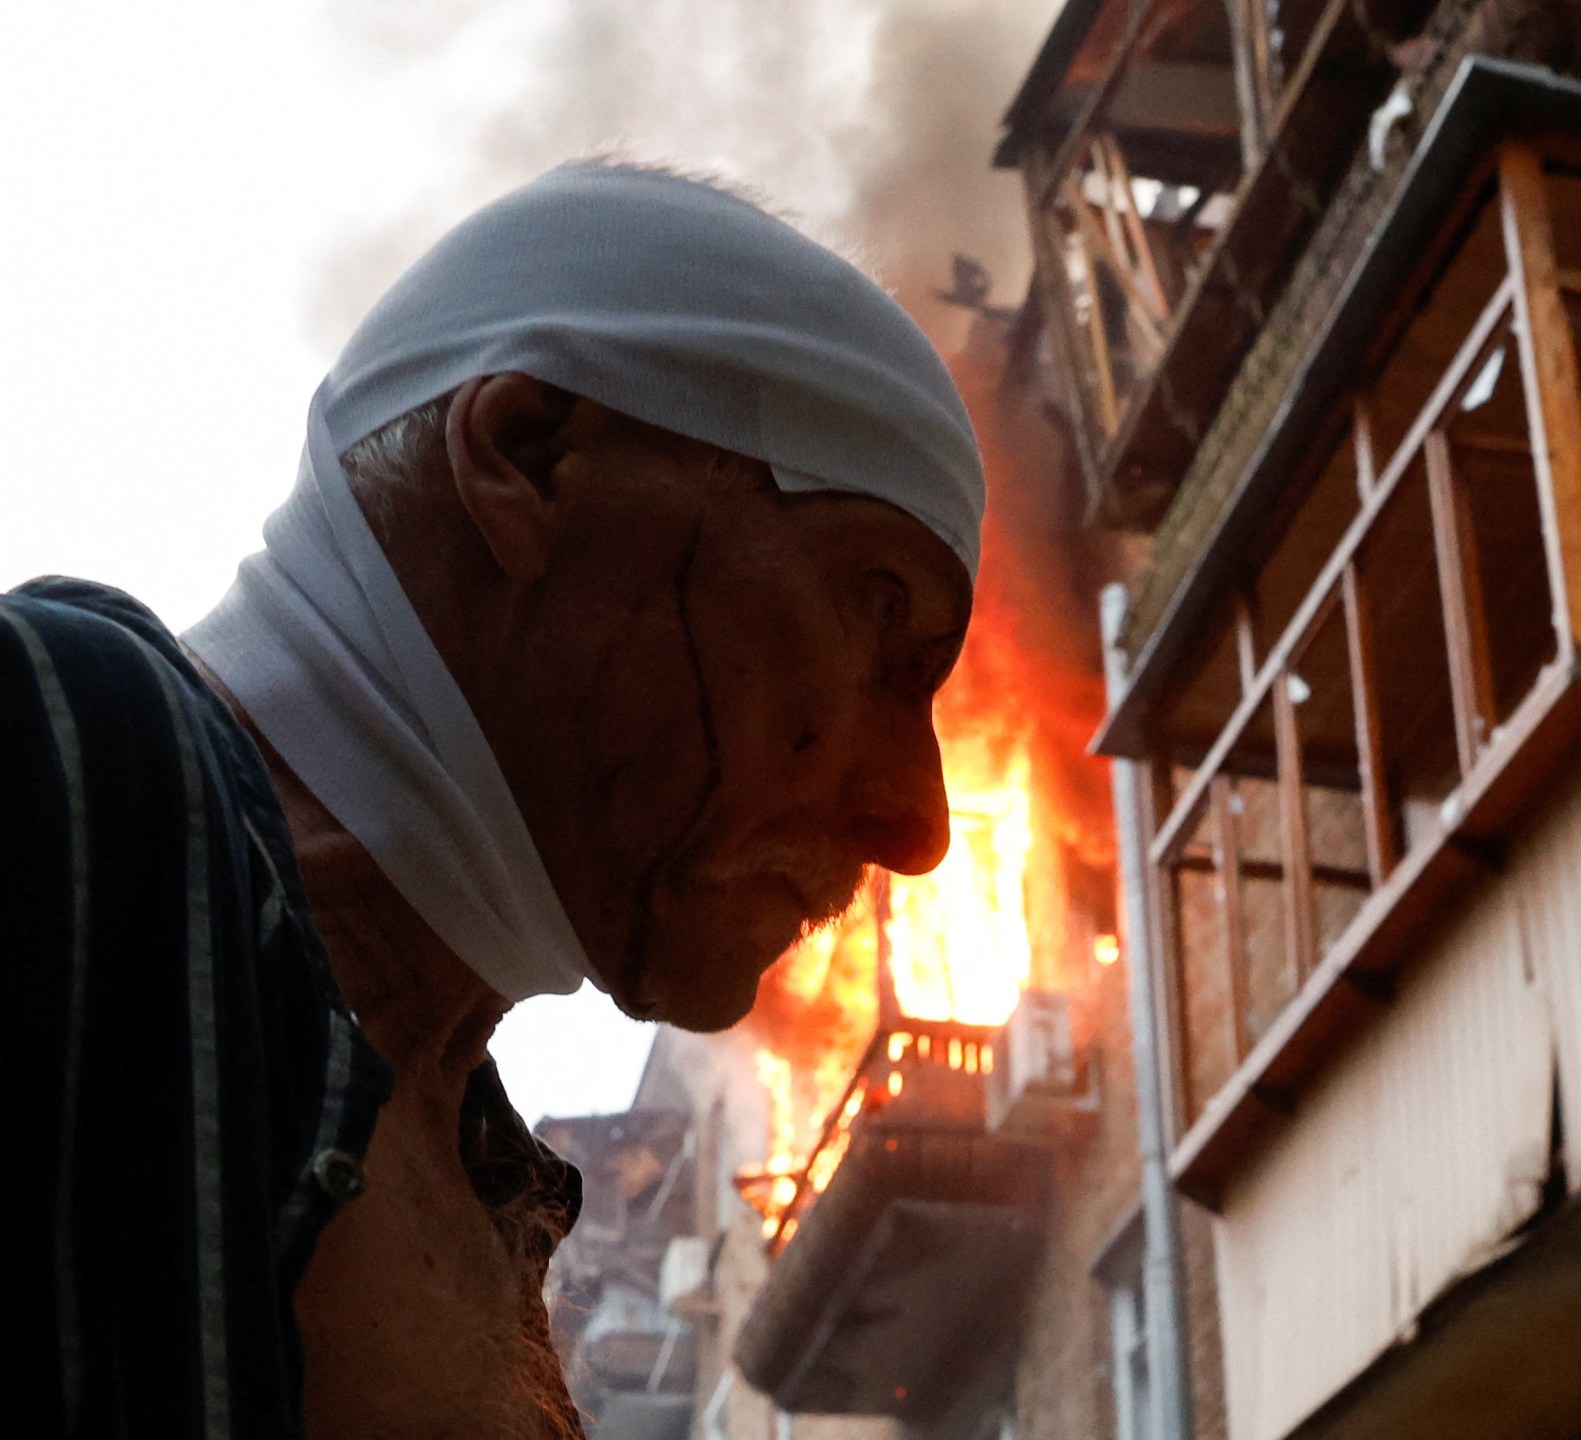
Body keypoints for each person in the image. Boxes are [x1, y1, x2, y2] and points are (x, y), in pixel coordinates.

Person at [5, 161, 983, 1439]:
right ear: (526, 455)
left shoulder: (484, 1172)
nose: (918, 823)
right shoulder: (58, 739)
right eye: (875, 606)